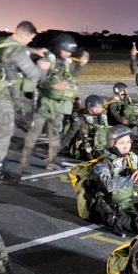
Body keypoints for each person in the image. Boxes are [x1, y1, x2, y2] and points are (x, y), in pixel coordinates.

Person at [0, 21, 50, 181]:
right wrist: (42, 67)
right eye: (30, 38)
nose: (30, 42)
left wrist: (34, 51)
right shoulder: (18, 51)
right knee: (4, 132)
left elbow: (18, 49)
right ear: (25, 34)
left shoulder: (0, 42)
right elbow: (33, 75)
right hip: (2, 96)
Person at [20, 33, 88, 172]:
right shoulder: (47, 60)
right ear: (58, 48)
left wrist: (80, 65)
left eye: (70, 51)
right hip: (45, 103)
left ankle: (51, 161)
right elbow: (39, 81)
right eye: (66, 50)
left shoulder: (66, 62)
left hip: (60, 104)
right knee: (34, 132)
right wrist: (53, 85)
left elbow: (71, 77)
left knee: (55, 133)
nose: (69, 53)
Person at [87, 125, 138, 236]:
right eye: (121, 143)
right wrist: (136, 178)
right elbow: (108, 185)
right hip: (119, 207)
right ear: (112, 144)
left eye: (128, 142)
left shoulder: (133, 158)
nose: (126, 146)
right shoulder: (103, 164)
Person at [62, 95, 111, 160]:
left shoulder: (103, 117)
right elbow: (69, 136)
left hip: (101, 144)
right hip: (83, 149)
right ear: (89, 108)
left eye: (100, 107)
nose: (99, 109)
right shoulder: (80, 120)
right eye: (96, 107)